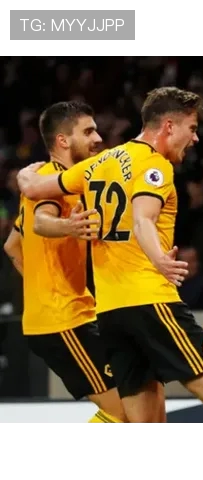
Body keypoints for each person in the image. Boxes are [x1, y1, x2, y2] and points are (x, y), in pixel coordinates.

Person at [16, 87, 203, 423]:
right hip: (149, 300)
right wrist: (160, 260)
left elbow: (33, 188)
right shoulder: (155, 165)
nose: (195, 138)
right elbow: (143, 220)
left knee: (144, 422)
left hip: (110, 312)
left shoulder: (99, 163)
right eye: (192, 128)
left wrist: (25, 173)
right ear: (169, 126)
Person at [3, 101, 126, 423]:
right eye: (88, 131)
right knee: (124, 413)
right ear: (62, 140)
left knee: (129, 408)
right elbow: (41, 223)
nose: (98, 138)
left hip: (69, 313)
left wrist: (41, 285)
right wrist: (69, 226)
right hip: (63, 321)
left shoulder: (51, 181)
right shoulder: (51, 180)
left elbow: (12, 245)